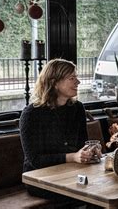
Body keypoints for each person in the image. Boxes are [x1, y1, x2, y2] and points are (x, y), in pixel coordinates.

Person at [20, 58, 101, 200]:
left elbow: (83, 144)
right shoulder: (31, 114)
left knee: (103, 186)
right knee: (92, 192)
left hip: (72, 172)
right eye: (72, 78)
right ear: (54, 83)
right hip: (41, 179)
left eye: (77, 77)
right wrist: (74, 157)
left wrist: (90, 151)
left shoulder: (77, 108)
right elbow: (34, 160)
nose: (78, 82)